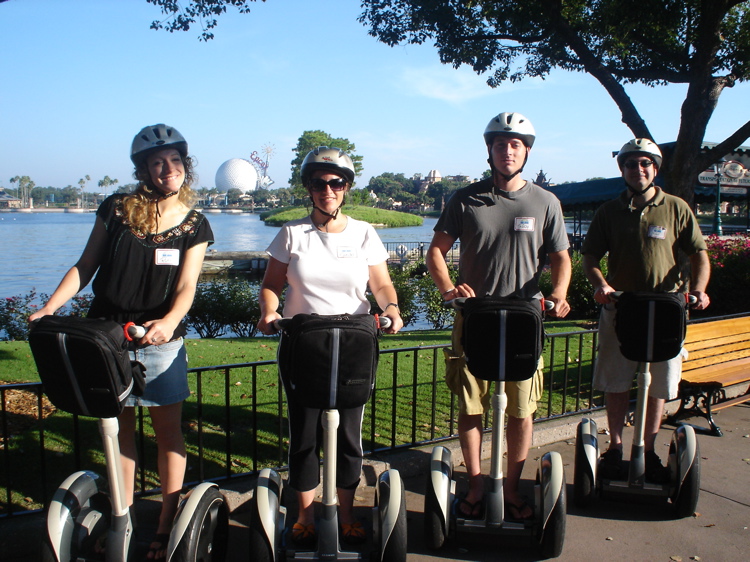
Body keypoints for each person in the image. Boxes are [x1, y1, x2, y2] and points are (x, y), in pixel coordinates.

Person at [30, 124, 214, 560]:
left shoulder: (195, 223)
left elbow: (187, 286)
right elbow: (86, 264)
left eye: (174, 161)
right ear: (144, 170)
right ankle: (122, 518)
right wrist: (49, 308)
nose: (167, 169)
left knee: (168, 433)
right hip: (105, 336)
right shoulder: (116, 209)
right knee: (118, 431)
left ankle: (168, 522)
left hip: (160, 339)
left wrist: (169, 321)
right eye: (157, 162)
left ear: (184, 166)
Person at [426, 112, 571, 521]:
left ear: (526, 151)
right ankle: (474, 484)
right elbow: (436, 251)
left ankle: (510, 489)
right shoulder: (466, 199)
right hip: (476, 318)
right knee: (472, 406)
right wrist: (448, 288)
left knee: (521, 411)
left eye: (516, 144)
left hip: (525, 319)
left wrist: (558, 293)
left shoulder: (545, 202)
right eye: (500, 143)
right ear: (489, 150)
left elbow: (561, 257)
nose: (508, 150)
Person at [257, 146, 404, 547]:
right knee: (304, 433)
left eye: (336, 183)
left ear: (346, 188)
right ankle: (304, 515)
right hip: (303, 343)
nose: (327, 190)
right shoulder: (291, 234)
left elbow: (381, 284)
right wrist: (270, 313)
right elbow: (271, 285)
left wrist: (391, 308)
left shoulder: (363, 233)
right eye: (319, 183)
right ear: (308, 187)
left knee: (349, 436)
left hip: (353, 341)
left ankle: (347, 513)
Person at [581, 138, 710, 482]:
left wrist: (698, 289)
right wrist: (600, 285)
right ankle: (616, 447)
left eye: (644, 164)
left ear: (655, 168)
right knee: (617, 380)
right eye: (630, 164)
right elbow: (590, 255)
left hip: (666, 308)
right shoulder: (609, 211)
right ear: (622, 170)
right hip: (621, 306)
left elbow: (699, 253)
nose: (637, 170)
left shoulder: (676, 207)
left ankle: (648, 448)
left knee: (658, 384)